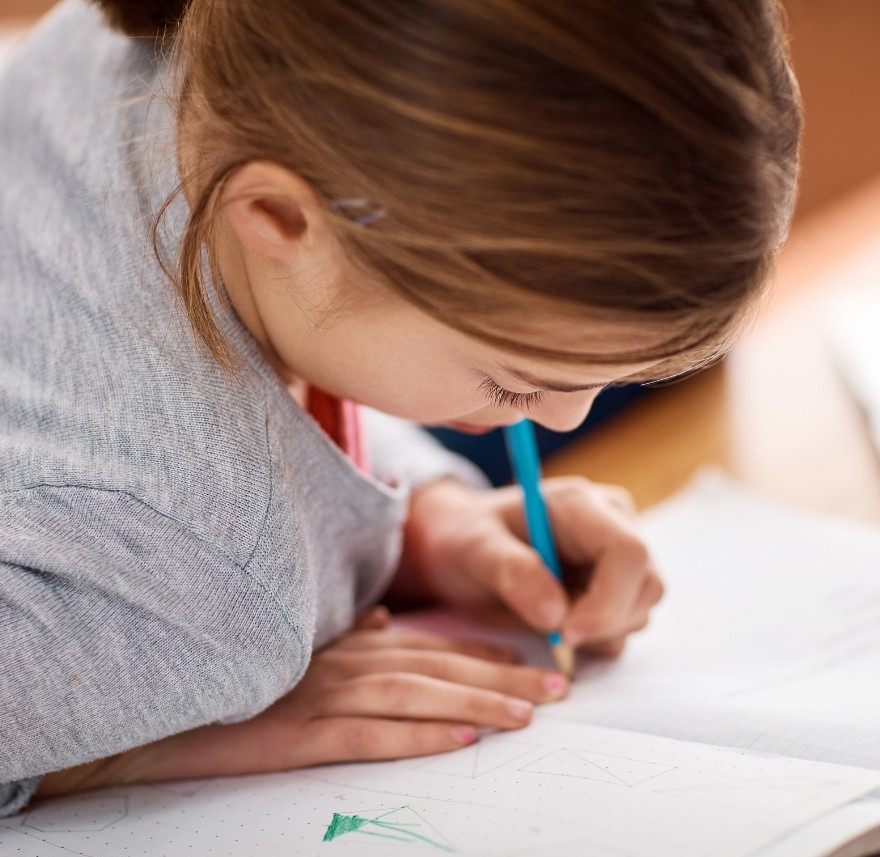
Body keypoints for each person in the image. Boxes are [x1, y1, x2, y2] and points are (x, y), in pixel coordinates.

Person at [0, 0, 801, 814]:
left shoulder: (207, 45)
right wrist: (107, 752)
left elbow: (292, 328)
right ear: (277, 216)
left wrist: (422, 515)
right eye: (516, 384)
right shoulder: (209, 586)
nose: (561, 420)